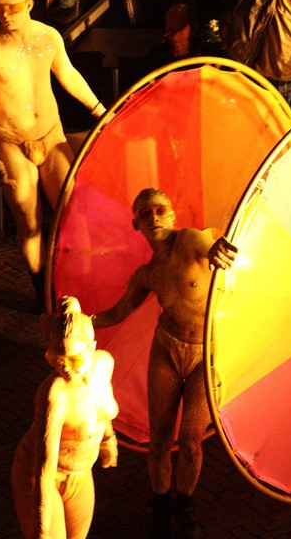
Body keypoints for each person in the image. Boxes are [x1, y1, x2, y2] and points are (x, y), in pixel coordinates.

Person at [91, 188, 237, 538]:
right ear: (136, 223)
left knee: (190, 440)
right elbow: (117, 312)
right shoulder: (148, 274)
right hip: (166, 351)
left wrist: (217, 251)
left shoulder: (188, 241)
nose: (154, 217)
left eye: (160, 210)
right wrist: (78, 320)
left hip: (205, 353)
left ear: (172, 215)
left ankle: (185, 509)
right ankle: (160, 506)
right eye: (145, 213)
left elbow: (208, 246)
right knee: (159, 440)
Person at [0, 0, 104, 310]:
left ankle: (77, 281)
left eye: (12, 7)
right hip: (11, 142)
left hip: (50, 134)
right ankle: (41, 291)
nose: (4, 14)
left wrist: (101, 110)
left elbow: (68, 74)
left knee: (71, 208)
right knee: (29, 222)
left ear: (29, 4)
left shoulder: (49, 38)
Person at [11, 295, 119, 539]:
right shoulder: (54, 396)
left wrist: (107, 440)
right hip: (39, 476)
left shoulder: (104, 365)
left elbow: (102, 406)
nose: (66, 368)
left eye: (74, 359)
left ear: (91, 348)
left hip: (79, 474)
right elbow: (43, 469)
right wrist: (41, 528)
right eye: (57, 359)